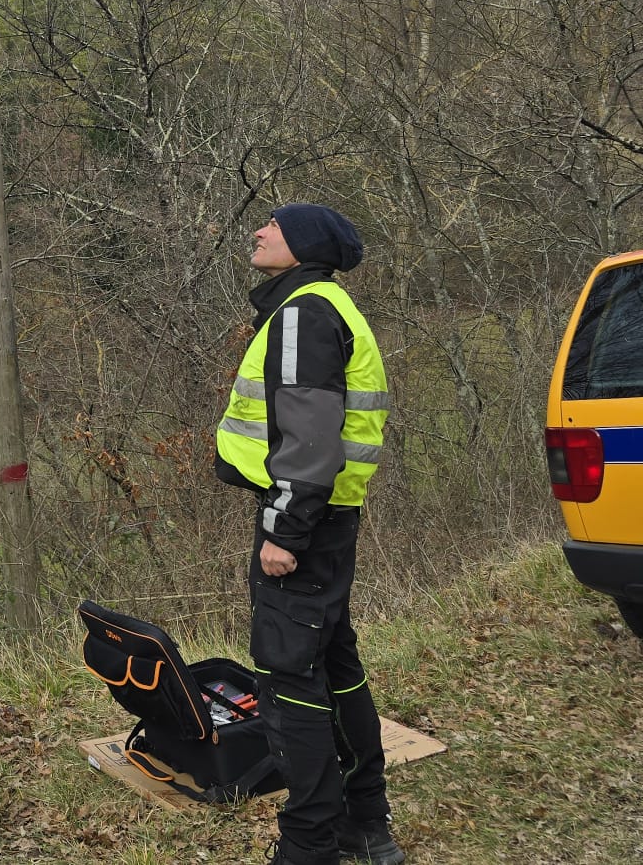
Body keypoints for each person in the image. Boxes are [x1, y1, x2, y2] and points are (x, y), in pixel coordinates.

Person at [214, 204, 402, 865]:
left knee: (289, 677)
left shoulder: (302, 315)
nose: (259, 231)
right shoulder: (322, 306)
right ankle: (367, 822)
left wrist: (283, 532)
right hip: (328, 519)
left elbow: (310, 439)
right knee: (335, 665)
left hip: (304, 522)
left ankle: (310, 843)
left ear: (303, 246)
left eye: (273, 225)